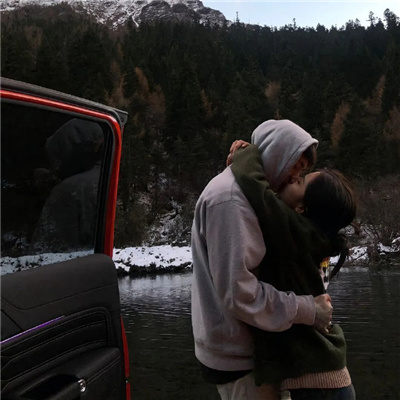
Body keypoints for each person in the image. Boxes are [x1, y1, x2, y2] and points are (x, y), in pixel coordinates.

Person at [191, 119, 333, 400]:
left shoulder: (250, 195)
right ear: (277, 154)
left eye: (302, 171)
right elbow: (240, 294)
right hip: (239, 358)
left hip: (250, 349)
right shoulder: (231, 201)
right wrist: (309, 310)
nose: (294, 177)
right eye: (295, 166)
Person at [230, 144, 357, 400]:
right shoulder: (314, 238)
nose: (292, 178)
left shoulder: (294, 233)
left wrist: (248, 153)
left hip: (320, 387)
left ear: (301, 209)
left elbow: (256, 188)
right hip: (328, 379)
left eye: (300, 181)